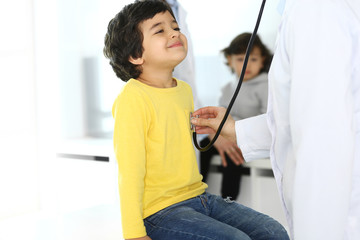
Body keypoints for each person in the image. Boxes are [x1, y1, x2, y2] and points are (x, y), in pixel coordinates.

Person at [103, 0, 289, 239]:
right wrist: (133, 234)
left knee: (272, 232)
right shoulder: (132, 98)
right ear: (136, 55)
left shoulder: (183, 91)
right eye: (160, 30)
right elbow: (128, 173)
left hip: (198, 197)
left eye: (175, 27)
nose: (173, 33)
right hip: (159, 211)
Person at [191, 0, 360, 239]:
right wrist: (236, 130)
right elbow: (296, 120)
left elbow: (322, 135)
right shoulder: (305, 10)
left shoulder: (315, 9)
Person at [200, 33, 272, 200]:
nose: (247, 64)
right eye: (240, 59)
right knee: (203, 147)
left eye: (253, 59)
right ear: (230, 60)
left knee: (234, 157)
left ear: (262, 61)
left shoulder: (265, 86)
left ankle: (228, 199)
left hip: (247, 136)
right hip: (226, 134)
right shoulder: (228, 88)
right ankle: (195, 190)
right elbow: (220, 115)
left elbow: (267, 119)